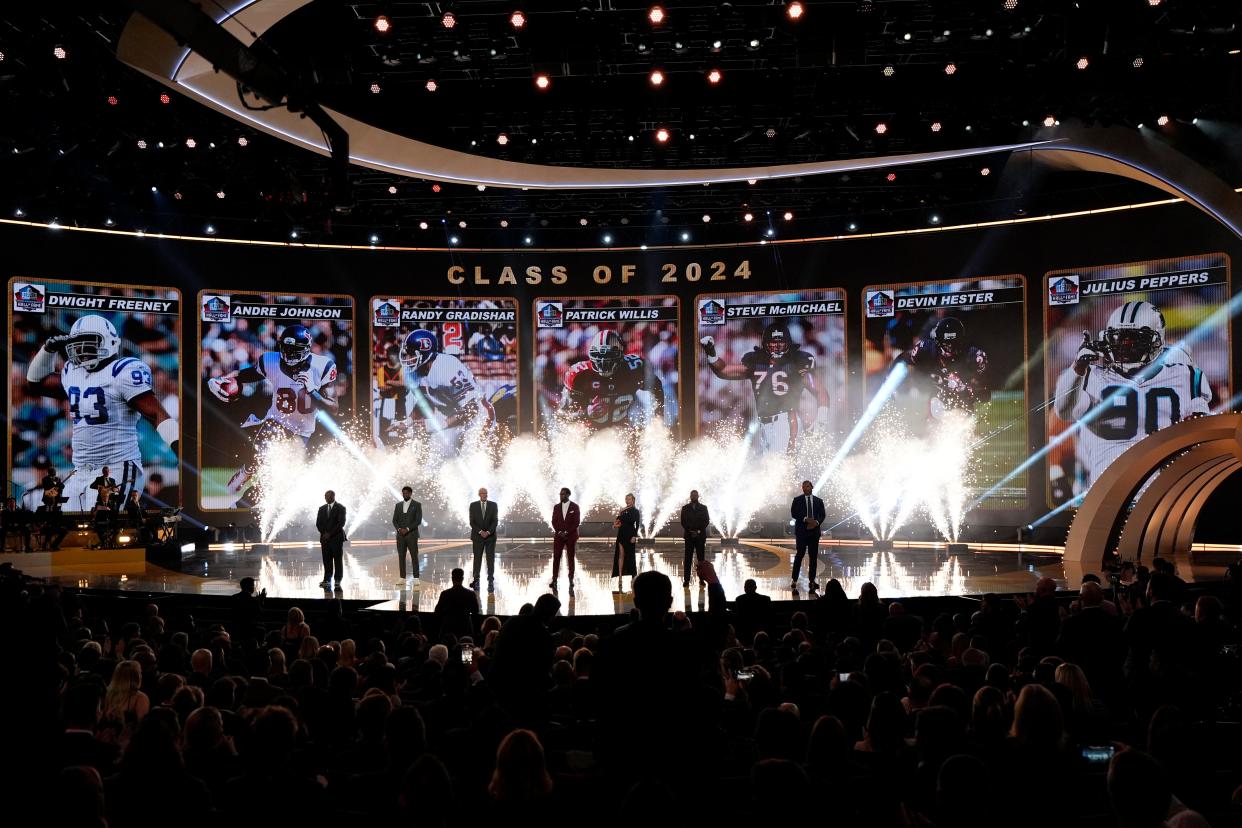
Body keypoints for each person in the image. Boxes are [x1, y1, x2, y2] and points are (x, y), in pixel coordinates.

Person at [1053, 300, 1210, 502]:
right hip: (1102, 498)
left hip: (1163, 497)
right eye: (1120, 339)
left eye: (1135, 340)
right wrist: (1077, 369)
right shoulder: (1089, 376)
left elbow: (1201, 430)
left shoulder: (1186, 375)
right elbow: (1063, 412)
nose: (1126, 347)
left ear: (1157, 340)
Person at [26, 314, 179, 511]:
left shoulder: (122, 371)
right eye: (78, 344)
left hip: (116, 466)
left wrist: (180, 452)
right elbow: (35, 384)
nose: (82, 350)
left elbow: (157, 415)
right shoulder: (74, 372)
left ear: (109, 341)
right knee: (66, 529)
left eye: (89, 343)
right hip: (81, 470)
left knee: (102, 528)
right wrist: (47, 351)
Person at [207, 323, 339, 507]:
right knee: (263, 456)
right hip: (276, 420)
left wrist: (312, 390)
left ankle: (238, 506)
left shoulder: (322, 366)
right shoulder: (271, 360)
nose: (290, 353)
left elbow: (334, 407)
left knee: (272, 481)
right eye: (287, 349)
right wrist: (225, 379)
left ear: (306, 349)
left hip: (302, 432)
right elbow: (246, 375)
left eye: (295, 350)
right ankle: (247, 470)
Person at [700, 321, 830, 453]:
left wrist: (821, 418)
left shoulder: (796, 363)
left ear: (788, 344)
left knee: (779, 466)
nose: (777, 347)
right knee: (766, 468)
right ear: (766, 344)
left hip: (786, 422)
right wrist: (711, 353)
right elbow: (724, 371)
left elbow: (820, 391)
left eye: (781, 343)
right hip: (764, 424)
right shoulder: (757, 363)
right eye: (773, 343)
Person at [559, 329, 665, 428]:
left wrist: (657, 416)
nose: (603, 362)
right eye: (599, 356)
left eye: (609, 356)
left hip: (622, 429)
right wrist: (586, 413)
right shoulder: (580, 375)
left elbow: (657, 387)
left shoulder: (634, 369)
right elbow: (564, 417)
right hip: (589, 431)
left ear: (621, 355)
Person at [791, 480, 826, 590]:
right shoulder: (797, 500)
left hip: (814, 532)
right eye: (803, 487)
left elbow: (822, 514)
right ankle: (794, 579)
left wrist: (816, 522)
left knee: (813, 557)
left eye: (807, 486)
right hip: (802, 532)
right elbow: (794, 513)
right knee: (799, 555)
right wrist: (805, 519)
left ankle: (812, 580)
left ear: (812, 487)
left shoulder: (818, 501)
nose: (805, 488)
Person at [434, 567, 480, 638]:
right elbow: (475, 611)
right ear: (462, 579)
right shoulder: (470, 594)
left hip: (448, 630)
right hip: (465, 630)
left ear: (452, 579)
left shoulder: (445, 594)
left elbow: (437, 611)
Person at [316, 490, 347, 589]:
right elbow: (318, 523)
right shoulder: (321, 509)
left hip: (336, 538)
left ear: (333, 496)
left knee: (338, 560)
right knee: (326, 560)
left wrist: (330, 534)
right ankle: (327, 579)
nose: (326, 498)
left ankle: (338, 580)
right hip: (325, 539)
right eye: (325, 496)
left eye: (328, 496)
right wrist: (324, 534)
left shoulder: (341, 508)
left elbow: (341, 523)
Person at [550, 487, 580, 590]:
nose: (561, 496)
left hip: (570, 536)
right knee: (556, 557)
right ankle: (554, 580)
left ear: (568, 495)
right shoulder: (556, 507)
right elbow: (553, 521)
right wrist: (559, 532)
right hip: (559, 536)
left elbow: (576, 522)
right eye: (560, 494)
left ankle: (571, 579)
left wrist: (567, 532)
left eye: (563, 494)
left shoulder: (575, 507)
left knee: (570, 557)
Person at [679, 489, 710, 587]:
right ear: (690, 496)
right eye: (692, 495)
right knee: (687, 559)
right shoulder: (685, 508)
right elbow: (683, 521)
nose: (694, 496)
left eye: (695, 495)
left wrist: (698, 531)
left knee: (701, 560)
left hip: (700, 537)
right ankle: (686, 580)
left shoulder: (704, 508)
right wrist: (690, 531)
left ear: (698, 496)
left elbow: (706, 521)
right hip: (689, 536)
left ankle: (702, 580)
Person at [469, 487, 498, 592]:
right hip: (477, 537)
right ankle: (476, 580)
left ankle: (490, 581)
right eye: (482, 493)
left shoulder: (493, 505)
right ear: (479, 494)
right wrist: (481, 532)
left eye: (486, 493)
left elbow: (495, 521)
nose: (485, 495)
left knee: (490, 559)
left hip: (490, 537)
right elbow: (472, 522)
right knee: (477, 559)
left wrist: (488, 532)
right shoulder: (473, 505)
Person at [392, 485, 422, 586]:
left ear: (410, 493)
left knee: (414, 556)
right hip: (400, 536)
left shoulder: (417, 505)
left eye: (406, 493)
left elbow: (418, 520)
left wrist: (408, 529)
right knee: (401, 556)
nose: (405, 494)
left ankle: (416, 578)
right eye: (403, 493)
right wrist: (399, 529)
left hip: (412, 535)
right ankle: (402, 578)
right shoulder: (398, 505)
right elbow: (394, 520)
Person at [612, 493, 640, 593]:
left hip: (630, 535)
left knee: (631, 556)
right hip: (621, 535)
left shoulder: (636, 511)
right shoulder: (622, 510)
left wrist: (634, 536)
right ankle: (620, 577)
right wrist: (616, 523)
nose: (627, 500)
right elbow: (617, 522)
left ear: (633, 500)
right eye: (626, 499)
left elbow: (637, 525)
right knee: (621, 555)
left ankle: (633, 576)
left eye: (629, 499)